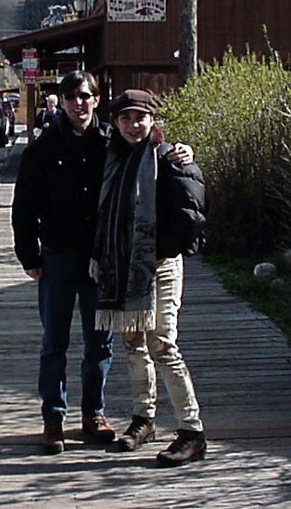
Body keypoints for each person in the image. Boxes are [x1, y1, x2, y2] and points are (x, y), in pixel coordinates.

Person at [12, 72, 192, 454]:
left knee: (101, 342)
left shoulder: (110, 143)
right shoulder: (41, 150)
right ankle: (53, 419)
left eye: (86, 96)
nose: (79, 103)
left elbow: (151, 146)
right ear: (60, 101)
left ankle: (94, 413)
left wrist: (183, 150)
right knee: (54, 343)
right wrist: (29, 256)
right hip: (58, 259)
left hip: (104, 261)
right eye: (71, 96)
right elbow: (24, 208)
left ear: (96, 100)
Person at [91, 89, 208, 468]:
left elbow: (191, 213)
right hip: (122, 267)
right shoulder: (110, 158)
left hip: (160, 265)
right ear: (116, 122)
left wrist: (159, 249)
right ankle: (144, 419)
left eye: (140, 118)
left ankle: (191, 431)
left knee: (162, 344)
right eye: (125, 118)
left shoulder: (170, 157)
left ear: (152, 120)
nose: (133, 125)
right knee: (131, 341)